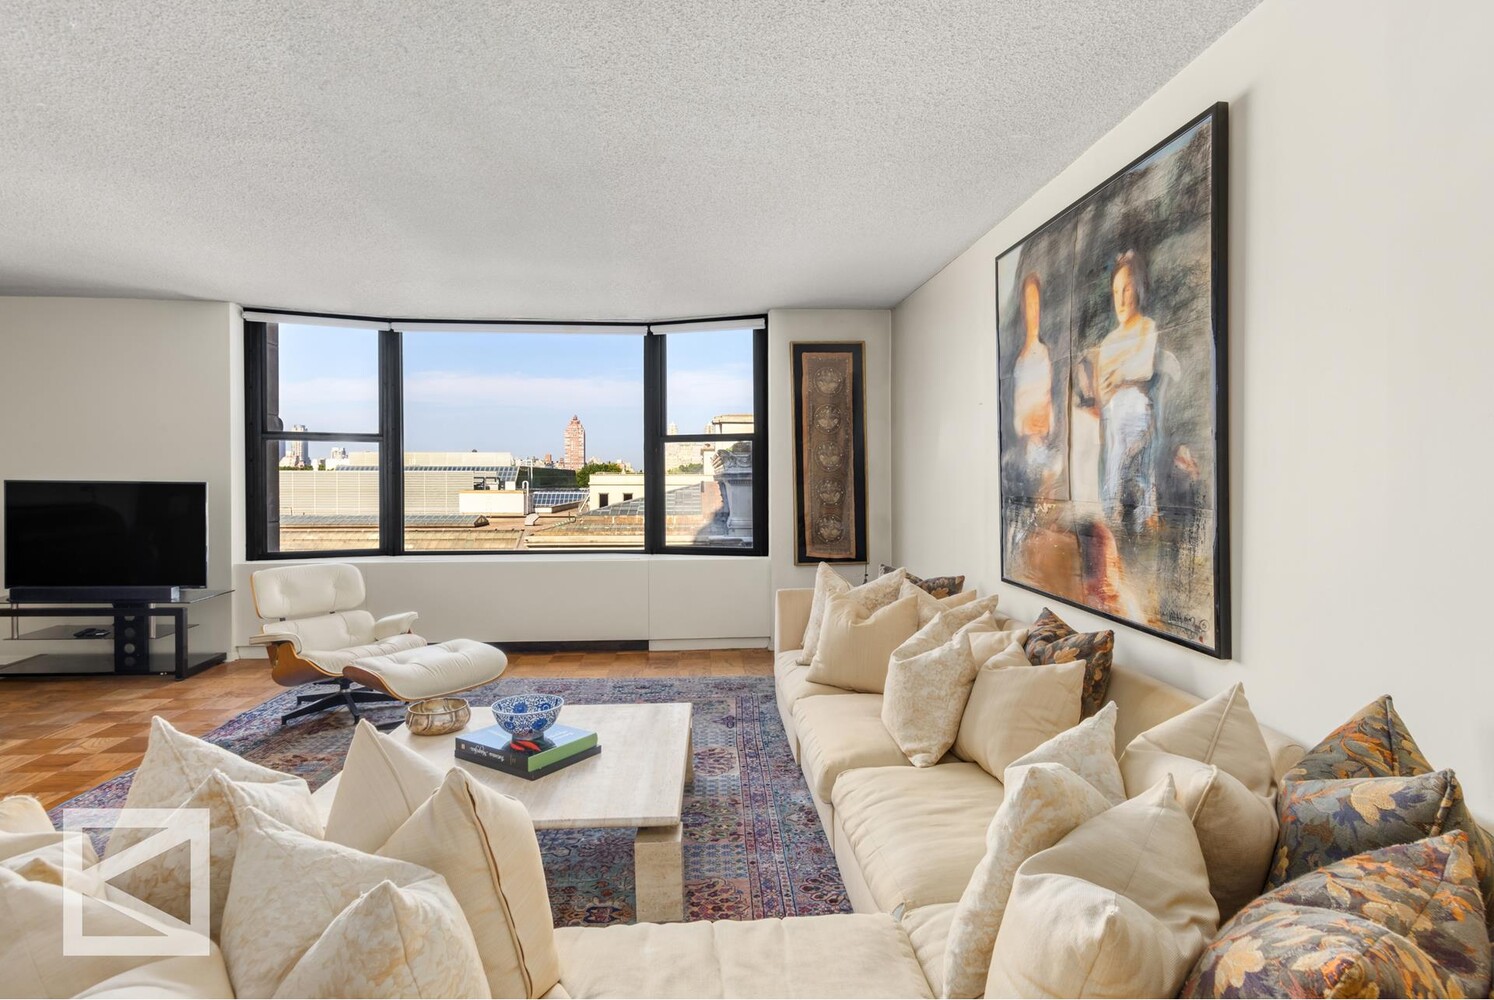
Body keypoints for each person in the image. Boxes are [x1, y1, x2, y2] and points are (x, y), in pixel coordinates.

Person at [1096, 249, 1161, 529]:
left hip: (1137, 411)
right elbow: (1103, 386)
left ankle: (1138, 510)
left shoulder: (1148, 327)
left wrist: (1121, 374)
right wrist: (1117, 379)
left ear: (1137, 290)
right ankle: (1114, 508)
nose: (1121, 299)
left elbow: (1144, 367)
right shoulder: (1110, 340)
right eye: (1116, 292)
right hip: (1114, 414)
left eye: (1127, 289)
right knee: (1113, 440)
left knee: (1126, 420)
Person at [1011, 272, 1062, 495]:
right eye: (1030, 304)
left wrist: (1047, 422)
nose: (1034, 312)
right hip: (1026, 446)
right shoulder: (1015, 360)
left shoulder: (1049, 354)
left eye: (1038, 304)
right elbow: (1010, 415)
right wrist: (1024, 425)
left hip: (1046, 442)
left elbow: (1056, 399)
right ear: (1023, 309)